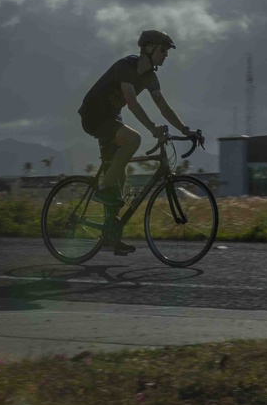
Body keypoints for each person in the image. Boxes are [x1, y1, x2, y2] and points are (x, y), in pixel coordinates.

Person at [78, 29, 199, 254]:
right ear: (149, 48)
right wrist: (153, 128)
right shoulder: (126, 66)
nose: (166, 55)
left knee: (119, 177)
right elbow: (131, 102)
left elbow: (163, 106)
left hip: (112, 117)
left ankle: (110, 236)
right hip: (94, 115)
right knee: (134, 139)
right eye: (163, 50)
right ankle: (102, 189)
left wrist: (186, 129)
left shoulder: (150, 77)